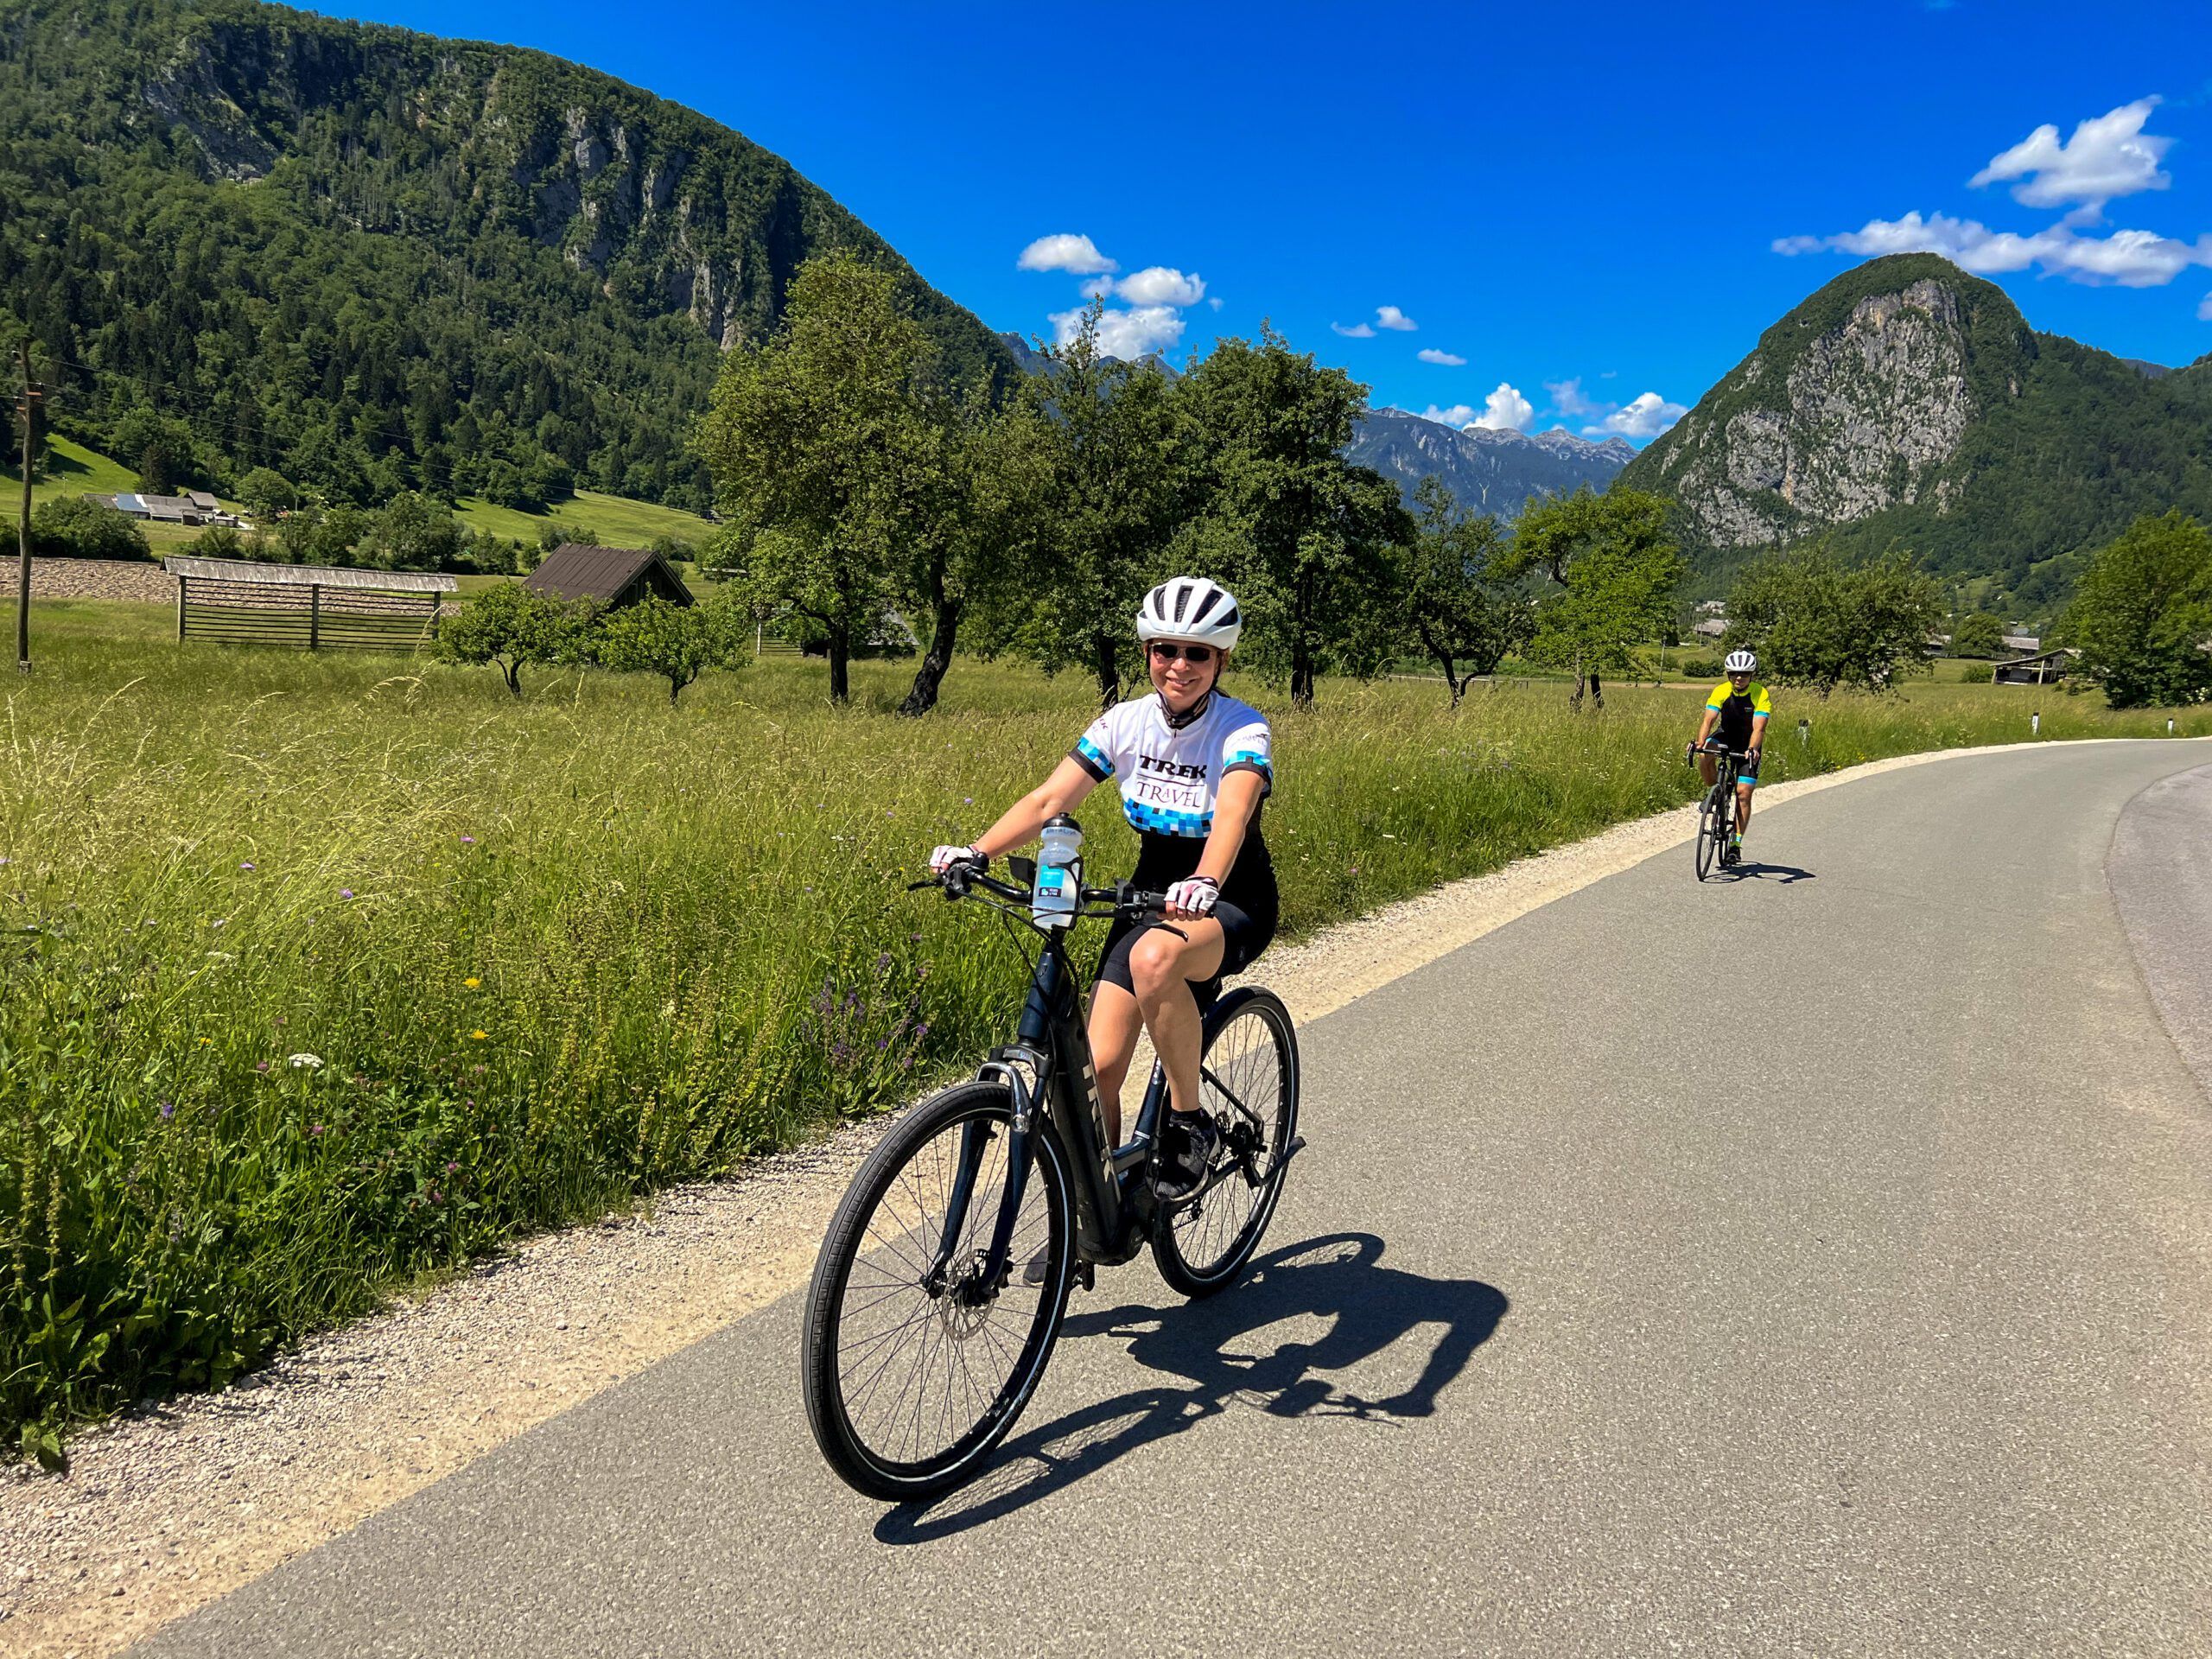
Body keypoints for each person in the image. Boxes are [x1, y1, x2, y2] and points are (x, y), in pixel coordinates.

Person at [931, 576, 1275, 1201]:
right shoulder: (1126, 722)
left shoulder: (1242, 729)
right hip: (1149, 896)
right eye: (1164, 649)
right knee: (1097, 1071)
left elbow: (1233, 816)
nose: (1179, 666)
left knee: (1155, 957)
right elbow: (1050, 798)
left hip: (1228, 899)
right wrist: (976, 851)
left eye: (1198, 653)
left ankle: (1189, 1121)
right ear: (1146, 653)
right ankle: (1097, 1214)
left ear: (1222, 659)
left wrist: (1203, 879)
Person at [1689, 648, 1771, 856]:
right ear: (1728, 674)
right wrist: (1700, 742)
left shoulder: (1760, 693)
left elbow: (1759, 728)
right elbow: (1709, 719)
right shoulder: (1721, 691)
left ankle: (1735, 843)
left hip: (1748, 743)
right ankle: (1715, 792)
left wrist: (1752, 749)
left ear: (1751, 675)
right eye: (1734, 673)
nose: (1739, 678)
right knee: (1704, 753)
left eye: (1744, 674)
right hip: (1726, 735)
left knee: (1744, 794)